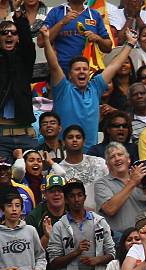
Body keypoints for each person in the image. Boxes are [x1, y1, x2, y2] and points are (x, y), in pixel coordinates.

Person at [41, 25, 137, 152]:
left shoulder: (95, 87)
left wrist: (129, 44)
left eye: (85, 69)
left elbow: (115, 65)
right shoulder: (63, 88)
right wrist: (47, 40)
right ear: (69, 75)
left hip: (91, 154)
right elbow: (53, 65)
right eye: (77, 69)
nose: (82, 72)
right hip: (64, 153)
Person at [47, 180, 115, 270]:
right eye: (72, 196)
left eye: (79, 195)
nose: (76, 199)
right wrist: (76, 252)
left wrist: (97, 260)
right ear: (66, 200)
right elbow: (54, 261)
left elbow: (112, 253)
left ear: (85, 197)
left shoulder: (99, 222)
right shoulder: (59, 227)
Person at [0, 2, 38, 161]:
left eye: (13, 33)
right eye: (4, 33)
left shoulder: (24, 60)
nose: (9, 35)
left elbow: (28, 42)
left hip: (25, 135)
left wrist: (17, 13)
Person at [94, 143, 146, 241]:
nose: (117, 158)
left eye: (120, 154)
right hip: (119, 239)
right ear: (107, 164)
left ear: (128, 159)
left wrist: (144, 186)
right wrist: (132, 182)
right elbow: (110, 209)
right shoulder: (101, 183)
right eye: (112, 157)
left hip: (145, 235)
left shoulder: (143, 180)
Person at [42, 0, 111, 75]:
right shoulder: (56, 12)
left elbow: (108, 48)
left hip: (88, 72)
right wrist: (62, 22)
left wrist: (98, 39)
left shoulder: (95, 14)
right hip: (61, 72)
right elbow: (41, 42)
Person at [0, 190, 46, 270]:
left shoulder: (30, 230)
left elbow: (41, 257)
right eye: (9, 205)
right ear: (3, 210)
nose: (14, 209)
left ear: (21, 209)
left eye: (17, 205)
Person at [59, 125, 108, 205]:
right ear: (64, 142)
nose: (74, 140)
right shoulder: (58, 170)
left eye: (78, 137)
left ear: (84, 141)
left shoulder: (99, 163)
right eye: (70, 137)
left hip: (102, 214)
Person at [26, 174, 66, 252]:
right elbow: (31, 253)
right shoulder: (34, 217)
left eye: (60, 190)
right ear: (45, 194)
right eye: (52, 191)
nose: (56, 194)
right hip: (44, 262)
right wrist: (47, 237)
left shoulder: (72, 212)